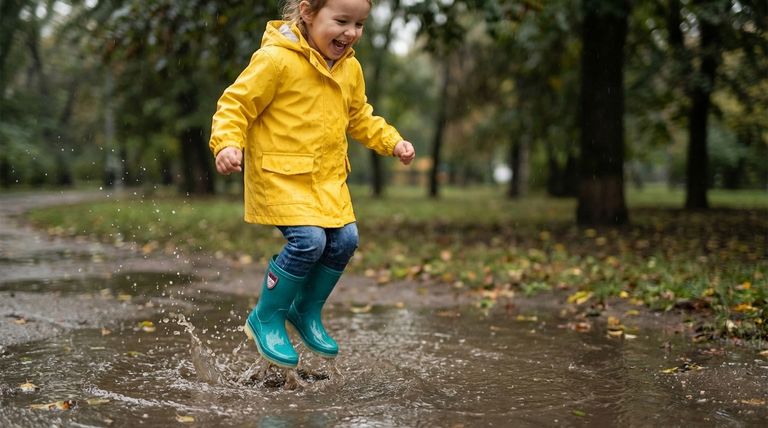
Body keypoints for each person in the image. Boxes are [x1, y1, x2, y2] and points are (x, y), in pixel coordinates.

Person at [208, 0, 415, 369]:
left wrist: (392, 141)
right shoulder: (276, 59)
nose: (351, 32)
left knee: (346, 239)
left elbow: (360, 117)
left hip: (327, 180)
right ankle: (267, 316)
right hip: (280, 176)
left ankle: (304, 310)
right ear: (307, 12)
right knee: (309, 241)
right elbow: (236, 105)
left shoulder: (350, 68)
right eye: (342, 20)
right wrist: (226, 143)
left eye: (359, 24)